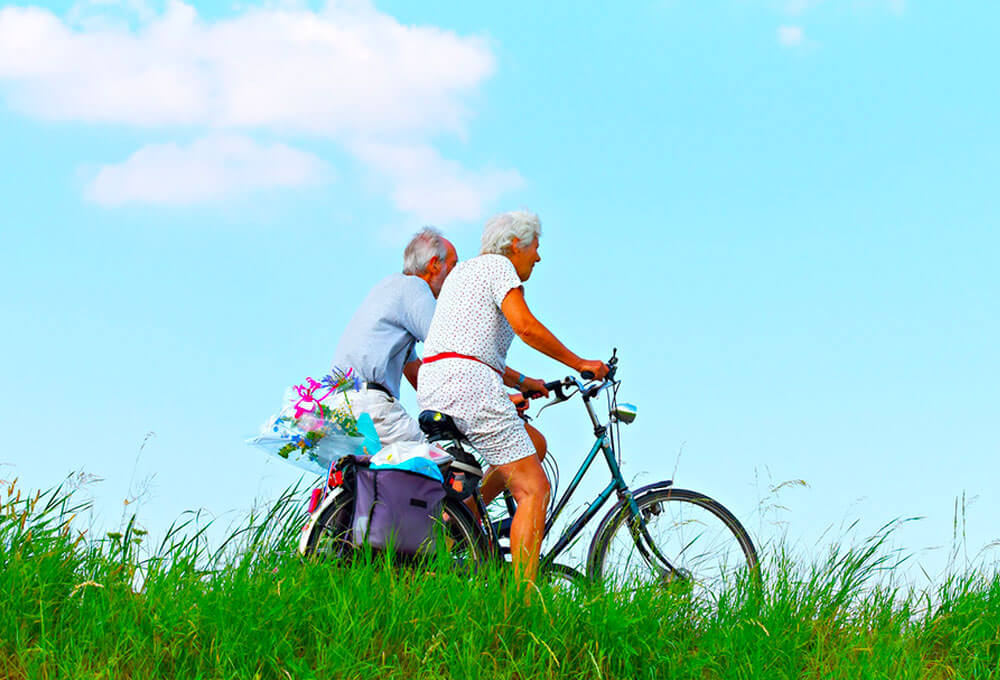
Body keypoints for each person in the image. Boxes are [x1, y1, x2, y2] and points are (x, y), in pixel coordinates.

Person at [417, 210, 608, 584]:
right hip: (469, 384)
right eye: (536, 247)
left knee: (533, 443)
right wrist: (580, 362)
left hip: (438, 382)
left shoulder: (464, 273)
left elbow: (466, 345)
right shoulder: (499, 267)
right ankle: (520, 606)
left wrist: (523, 382)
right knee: (533, 488)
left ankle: (464, 519)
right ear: (516, 244)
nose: (538, 257)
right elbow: (525, 326)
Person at [330, 227, 458, 445]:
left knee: (376, 475)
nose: (456, 276)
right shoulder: (415, 288)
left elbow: (415, 372)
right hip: (369, 405)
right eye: (454, 266)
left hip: (339, 406)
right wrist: (495, 398)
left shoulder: (389, 287)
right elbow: (453, 349)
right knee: (437, 465)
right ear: (435, 264)